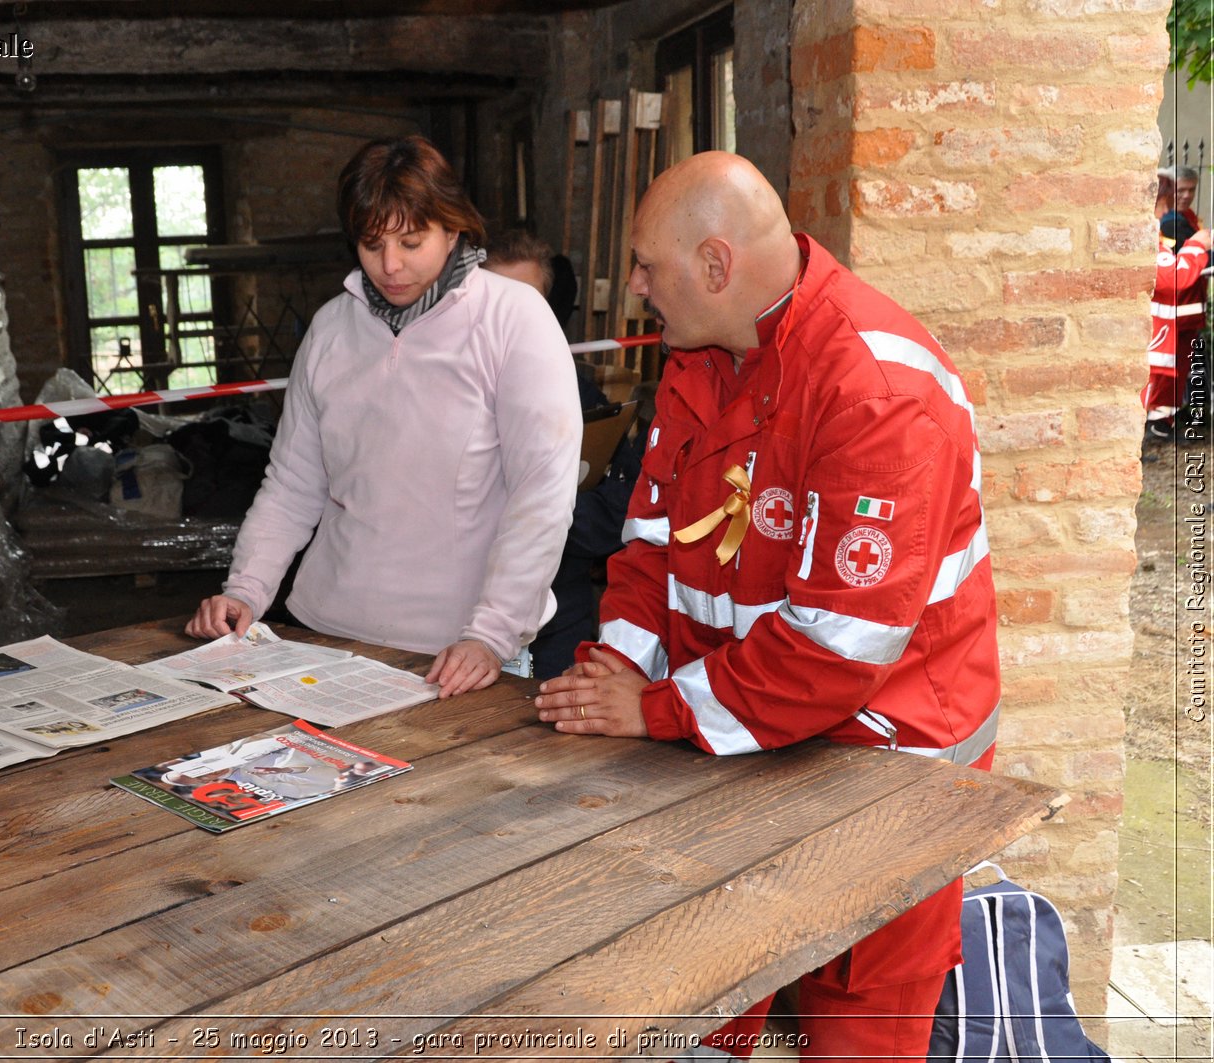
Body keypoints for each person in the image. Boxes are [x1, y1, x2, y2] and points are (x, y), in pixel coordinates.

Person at [534, 151, 1000, 1061]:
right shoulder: (701, 352)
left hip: (887, 768)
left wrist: (658, 710)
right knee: (698, 996)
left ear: (715, 267)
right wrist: (620, 667)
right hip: (733, 740)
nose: (632, 286)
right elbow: (651, 542)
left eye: (646, 266)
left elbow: (835, 650)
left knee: (858, 1026)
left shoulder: (877, 389)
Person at [187, 136, 581, 698]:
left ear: (453, 228)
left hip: (454, 653)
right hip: (320, 633)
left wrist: (492, 634)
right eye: (371, 245)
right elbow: (294, 484)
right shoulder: (331, 329)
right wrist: (245, 591)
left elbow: (541, 493)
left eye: (412, 242)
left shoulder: (514, 320)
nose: (390, 266)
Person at [481, 228, 640, 678]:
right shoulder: (439, 399)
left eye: (529, 303)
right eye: (500, 302)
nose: (515, 318)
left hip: (556, 634)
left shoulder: (584, 399)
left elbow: (621, 516)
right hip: (454, 632)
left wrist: (533, 511)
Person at [1144, 224, 1212, 441]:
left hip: (1165, 331)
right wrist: (1197, 245)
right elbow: (1173, 277)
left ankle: (1157, 426)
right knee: (1145, 389)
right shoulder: (1149, 238)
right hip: (1157, 334)